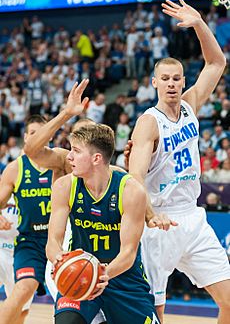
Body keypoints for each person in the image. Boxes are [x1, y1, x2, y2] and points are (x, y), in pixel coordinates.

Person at [128, 0, 230, 324]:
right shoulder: (148, 122)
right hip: (160, 222)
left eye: (177, 78)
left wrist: (200, 23)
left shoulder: (190, 105)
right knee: (155, 315)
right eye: (165, 79)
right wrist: (149, 214)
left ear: (183, 81)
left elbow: (216, 64)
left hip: (193, 218)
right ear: (154, 82)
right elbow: (134, 175)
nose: (172, 84)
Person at [46, 123, 159, 324]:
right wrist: (59, 258)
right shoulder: (64, 186)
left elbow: (128, 253)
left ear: (96, 158)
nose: (69, 157)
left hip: (121, 278)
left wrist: (102, 275)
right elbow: (53, 240)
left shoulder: (131, 191)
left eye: (76, 151)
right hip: (79, 275)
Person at [0, 115, 53, 324]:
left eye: (41, 134)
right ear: (25, 137)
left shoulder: (61, 165)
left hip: (54, 242)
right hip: (23, 243)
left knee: (22, 311)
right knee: (20, 294)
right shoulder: (15, 169)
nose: (36, 138)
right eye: (33, 134)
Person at [0, 192, 32, 324]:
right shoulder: (5, 187)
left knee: (21, 310)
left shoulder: (45, 186)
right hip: (1, 249)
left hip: (25, 254)